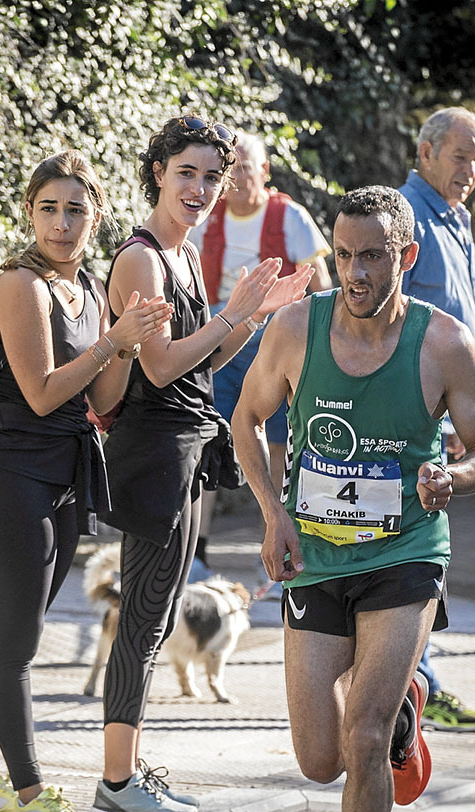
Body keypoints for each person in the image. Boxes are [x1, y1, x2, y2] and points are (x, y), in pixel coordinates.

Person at [231, 185, 475, 812]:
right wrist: (272, 513)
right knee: (320, 759)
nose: (354, 271)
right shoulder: (294, 328)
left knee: (364, 730)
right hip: (315, 554)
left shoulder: (443, 343)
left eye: (372, 255)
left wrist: (456, 477)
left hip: (406, 554)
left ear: (405, 257)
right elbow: (246, 419)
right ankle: (405, 705)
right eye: (345, 255)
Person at [89, 115, 313, 812]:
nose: (201, 188)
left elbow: (202, 361)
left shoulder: (183, 258)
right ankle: (117, 783)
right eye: (187, 173)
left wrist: (252, 317)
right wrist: (234, 312)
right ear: (158, 171)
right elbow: (157, 366)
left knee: (153, 623)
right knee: (142, 622)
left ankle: (126, 775)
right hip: (153, 456)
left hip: (183, 450)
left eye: (212, 177)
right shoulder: (143, 260)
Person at [0, 150, 172, 812]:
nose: (63, 222)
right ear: (29, 212)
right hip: (8, 468)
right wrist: (112, 341)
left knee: (7, 627)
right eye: (49, 208)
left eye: (76, 209)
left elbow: (100, 399)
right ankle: (33, 795)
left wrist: (127, 346)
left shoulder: (89, 289)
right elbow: (43, 390)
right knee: (20, 638)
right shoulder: (21, 286)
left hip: (65, 469)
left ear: (96, 215)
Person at [187, 130, 332, 577]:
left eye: (247, 169)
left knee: (282, 443)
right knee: (210, 436)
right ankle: (198, 549)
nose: (238, 180)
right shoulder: (208, 218)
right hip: (222, 336)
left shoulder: (291, 217)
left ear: (265, 172)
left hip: (278, 338)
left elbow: (321, 286)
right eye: (233, 171)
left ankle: (284, 535)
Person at [400, 106, 475, 732]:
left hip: (443, 412)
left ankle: (416, 680)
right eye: (460, 155)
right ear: (427, 152)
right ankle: (417, 683)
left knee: (427, 548)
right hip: (409, 415)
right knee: (416, 548)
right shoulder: (409, 218)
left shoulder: (453, 217)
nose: (470, 169)